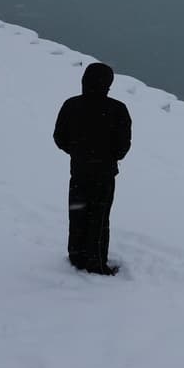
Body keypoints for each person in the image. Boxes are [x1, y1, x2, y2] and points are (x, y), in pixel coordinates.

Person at [53, 62, 132, 275]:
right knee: (99, 215)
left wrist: (78, 152)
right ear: (108, 83)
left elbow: (59, 138)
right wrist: (107, 156)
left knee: (77, 211)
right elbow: (123, 146)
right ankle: (96, 263)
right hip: (104, 173)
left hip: (78, 170)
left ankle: (76, 256)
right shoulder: (117, 109)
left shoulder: (71, 105)